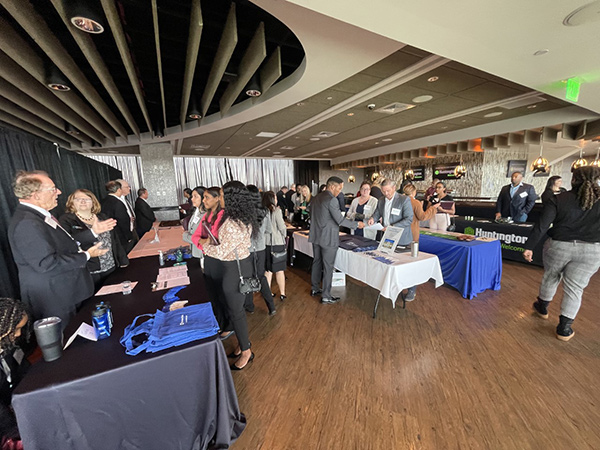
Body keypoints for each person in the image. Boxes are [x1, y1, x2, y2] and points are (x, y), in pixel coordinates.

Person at [8, 171, 109, 327]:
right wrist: (87, 255)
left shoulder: (40, 216)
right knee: (67, 344)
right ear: (36, 195)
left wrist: (93, 232)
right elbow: (46, 263)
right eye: (53, 189)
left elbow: (65, 243)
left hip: (66, 292)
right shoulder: (27, 223)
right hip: (55, 299)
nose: (59, 192)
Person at [523, 166, 600, 341]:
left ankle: (542, 308)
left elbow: (542, 226)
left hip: (559, 246)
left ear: (573, 180)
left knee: (551, 276)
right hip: (593, 250)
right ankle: (564, 329)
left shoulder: (558, 199)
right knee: (575, 289)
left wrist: (529, 246)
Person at [203, 181, 259, 370]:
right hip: (234, 267)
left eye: (222, 195)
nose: (220, 199)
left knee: (236, 312)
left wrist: (203, 245)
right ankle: (239, 345)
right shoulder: (235, 217)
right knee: (232, 309)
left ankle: (246, 351)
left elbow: (220, 252)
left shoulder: (235, 223)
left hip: (235, 269)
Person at [60, 189, 129, 291]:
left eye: (87, 199)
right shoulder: (66, 220)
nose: (83, 201)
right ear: (72, 202)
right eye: (78, 199)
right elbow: (68, 243)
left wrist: (123, 260)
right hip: (89, 270)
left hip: (111, 266)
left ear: (93, 202)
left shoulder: (103, 216)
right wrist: (92, 231)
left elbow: (115, 240)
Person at [309, 177, 364, 304]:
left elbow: (310, 213)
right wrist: (356, 225)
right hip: (328, 238)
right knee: (328, 266)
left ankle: (315, 288)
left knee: (316, 262)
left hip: (316, 236)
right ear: (332, 187)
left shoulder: (316, 197)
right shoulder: (331, 200)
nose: (340, 191)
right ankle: (326, 295)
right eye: (339, 188)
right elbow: (340, 220)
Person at [0, 298, 30, 449]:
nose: (18, 334)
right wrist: (16, 432)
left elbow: (24, 368)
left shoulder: (10, 345)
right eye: (16, 329)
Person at [402, 184, 440, 301]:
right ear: (414, 192)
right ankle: (411, 291)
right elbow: (422, 217)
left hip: (399, 236)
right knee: (412, 263)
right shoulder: (415, 203)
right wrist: (433, 208)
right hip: (412, 237)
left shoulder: (399, 201)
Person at [244, 186, 276, 315]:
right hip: (261, 249)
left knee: (246, 277)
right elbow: (269, 230)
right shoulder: (265, 211)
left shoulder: (243, 213)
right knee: (261, 277)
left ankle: (249, 306)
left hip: (246, 250)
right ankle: (271, 306)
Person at [368, 178, 414, 246]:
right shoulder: (381, 200)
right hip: (386, 236)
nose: (386, 193)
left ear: (394, 188)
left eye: (388, 191)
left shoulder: (404, 200)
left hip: (401, 238)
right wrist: (373, 218)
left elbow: (409, 219)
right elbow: (377, 212)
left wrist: (392, 227)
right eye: (383, 191)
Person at [263, 191, 288, 301]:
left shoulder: (262, 211)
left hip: (266, 244)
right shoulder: (277, 211)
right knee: (280, 270)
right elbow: (282, 227)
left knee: (268, 270)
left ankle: (268, 293)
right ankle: (282, 293)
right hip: (277, 243)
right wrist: (284, 235)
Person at [101, 180, 138, 253]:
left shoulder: (104, 201)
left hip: (109, 235)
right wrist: (129, 237)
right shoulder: (118, 203)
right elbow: (123, 222)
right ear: (118, 190)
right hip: (121, 236)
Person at [191, 186, 224, 254]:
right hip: (207, 253)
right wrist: (204, 242)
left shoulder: (222, 215)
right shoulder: (207, 215)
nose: (203, 200)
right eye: (203, 197)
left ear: (217, 198)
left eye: (207, 197)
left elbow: (214, 240)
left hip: (218, 255)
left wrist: (201, 241)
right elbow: (194, 236)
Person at [182, 186, 206, 264]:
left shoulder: (205, 215)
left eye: (196, 196)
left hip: (203, 253)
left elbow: (202, 237)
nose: (192, 199)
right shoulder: (196, 212)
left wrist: (185, 236)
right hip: (195, 251)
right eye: (192, 196)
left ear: (203, 198)